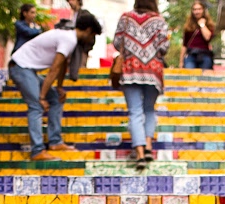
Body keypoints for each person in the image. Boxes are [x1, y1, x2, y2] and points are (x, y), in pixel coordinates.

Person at [9, 10, 102, 160]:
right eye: (93, 35)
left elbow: (63, 65)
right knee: (36, 106)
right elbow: (54, 68)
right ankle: (37, 151)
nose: (91, 39)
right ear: (89, 30)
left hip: (28, 70)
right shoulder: (69, 39)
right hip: (20, 67)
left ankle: (55, 141)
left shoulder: (68, 38)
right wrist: (41, 96)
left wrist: (59, 88)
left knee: (56, 98)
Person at [114, 0, 170, 163]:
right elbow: (164, 46)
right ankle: (148, 147)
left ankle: (138, 153)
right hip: (153, 71)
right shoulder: (159, 21)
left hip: (131, 69)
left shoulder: (125, 18)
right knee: (149, 110)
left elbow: (117, 43)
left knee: (135, 111)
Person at [182, 1, 214, 70]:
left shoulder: (209, 25)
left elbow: (207, 37)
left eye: (199, 9)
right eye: (195, 9)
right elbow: (184, 45)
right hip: (191, 55)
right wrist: (181, 62)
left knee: (205, 78)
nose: (197, 12)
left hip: (205, 55)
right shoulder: (188, 26)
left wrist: (202, 25)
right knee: (190, 75)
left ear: (203, 10)